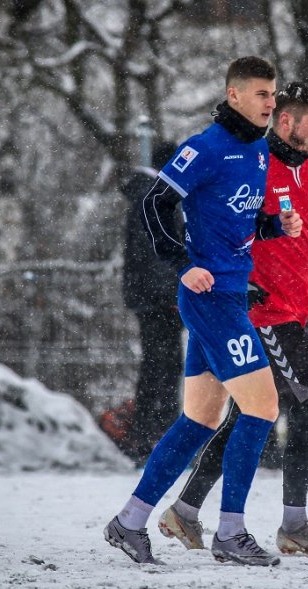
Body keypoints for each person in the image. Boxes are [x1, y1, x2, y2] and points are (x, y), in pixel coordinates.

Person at [104, 56, 303, 567]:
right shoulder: (204, 147)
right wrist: (182, 265)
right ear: (234, 95)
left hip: (232, 295)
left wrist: (277, 227)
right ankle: (230, 533)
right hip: (209, 300)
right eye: (261, 94)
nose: (270, 103)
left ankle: (129, 521)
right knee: (262, 408)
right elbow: (153, 204)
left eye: (273, 94)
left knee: (201, 418)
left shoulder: (257, 151)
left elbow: (238, 225)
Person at [156, 81, 308, 560]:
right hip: (261, 311)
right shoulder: (254, 165)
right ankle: (293, 524)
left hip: (293, 312)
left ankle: (185, 509)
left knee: (254, 414)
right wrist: (217, 274)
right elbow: (223, 224)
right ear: (285, 121)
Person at [115, 140, 183, 461]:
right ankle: (157, 439)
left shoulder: (147, 195)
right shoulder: (156, 198)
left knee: (158, 366)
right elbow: (158, 254)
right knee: (165, 368)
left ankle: (150, 437)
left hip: (149, 298)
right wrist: (172, 295)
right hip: (159, 301)